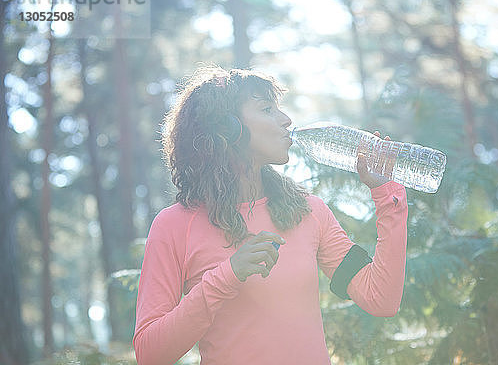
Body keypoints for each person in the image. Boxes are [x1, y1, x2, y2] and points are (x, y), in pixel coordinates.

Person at [133, 66, 408, 365]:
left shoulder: (308, 211)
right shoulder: (174, 226)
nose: (286, 120)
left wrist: (387, 195)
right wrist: (227, 276)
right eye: (266, 109)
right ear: (227, 128)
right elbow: (150, 353)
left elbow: (380, 299)